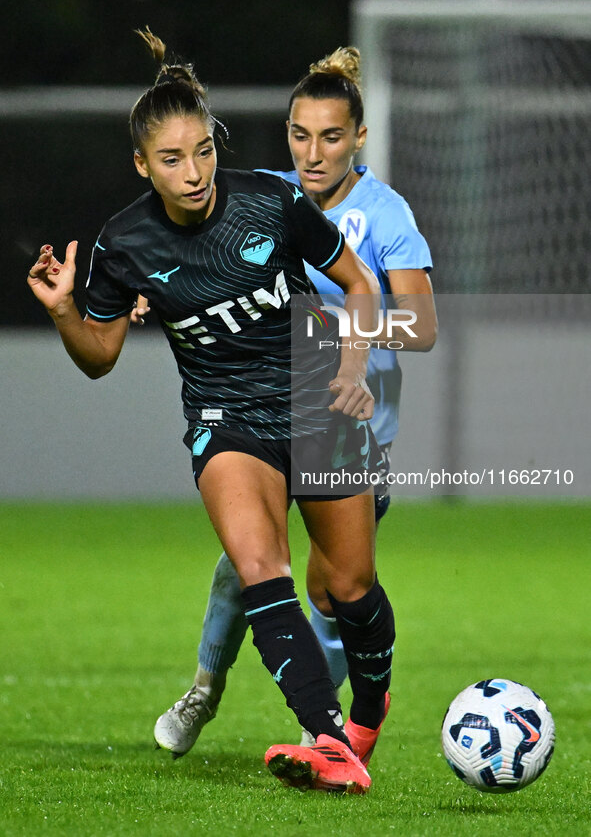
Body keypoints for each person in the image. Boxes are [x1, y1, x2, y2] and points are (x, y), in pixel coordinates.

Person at [27, 29, 397, 794]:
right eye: (170, 159)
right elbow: (99, 355)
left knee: (352, 587)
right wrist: (67, 311)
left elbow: (359, 284)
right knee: (262, 570)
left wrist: (354, 365)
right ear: (141, 164)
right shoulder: (124, 242)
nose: (192, 173)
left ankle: (366, 707)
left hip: (315, 397)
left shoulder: (272, 203)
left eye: (202, 152)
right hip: (227, 420)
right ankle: (328, 741)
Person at [151, 47, 437, 758]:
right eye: (299, 134)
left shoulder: (384, 214)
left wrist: (330, 324)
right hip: (261, 413)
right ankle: (205, 693)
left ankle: (329, 728)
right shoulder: (263, 194)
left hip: (348, 428)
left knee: (335, 593)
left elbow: (422, 327)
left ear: (358, 138)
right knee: (242, 564)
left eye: (331, 136)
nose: (312, 153)